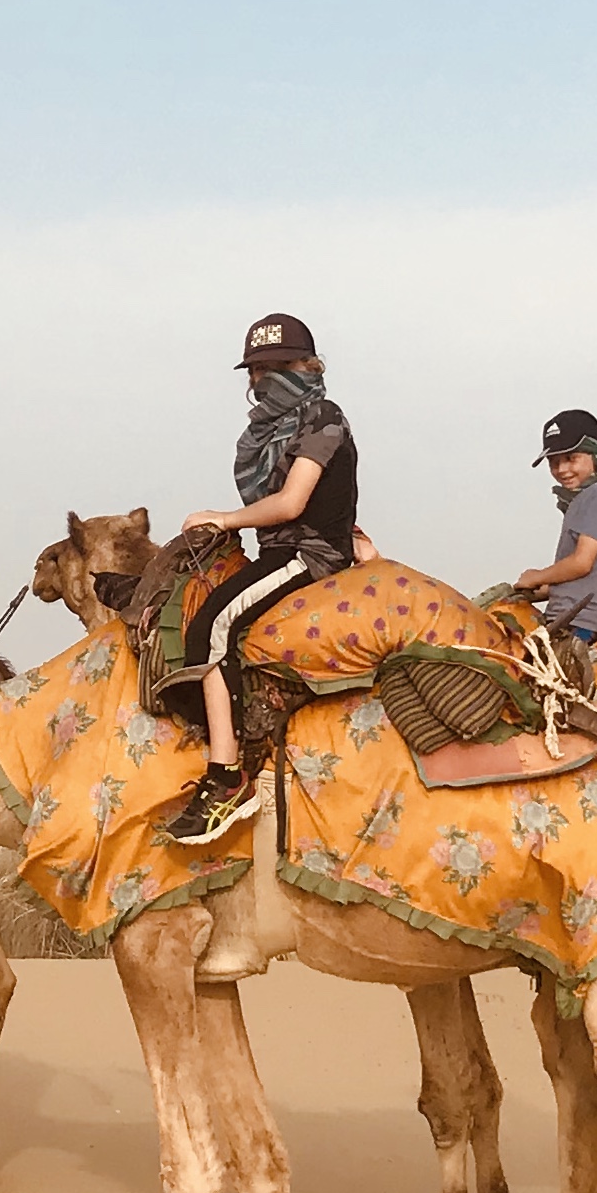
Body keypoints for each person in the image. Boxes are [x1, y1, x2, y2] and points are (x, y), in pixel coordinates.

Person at [161, 312, 363, 845]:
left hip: (308, 554)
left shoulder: (323, 417)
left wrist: (224, 518)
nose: (259, 381)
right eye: (253, 371)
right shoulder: (268, 431)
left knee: (212, 625)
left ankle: (226, 778)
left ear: (304, 365)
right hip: (277, 549)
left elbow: (295, 501)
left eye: (272, 368)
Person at [510, 408, 597, 640]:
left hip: (581, 620)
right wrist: (527, 591)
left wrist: (537, 576)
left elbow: (581, 563)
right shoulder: (583, 499)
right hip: (562, 615)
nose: (562, 470)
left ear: (595, 456)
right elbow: (577, 579)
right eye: (554, 463)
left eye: (570, 459)